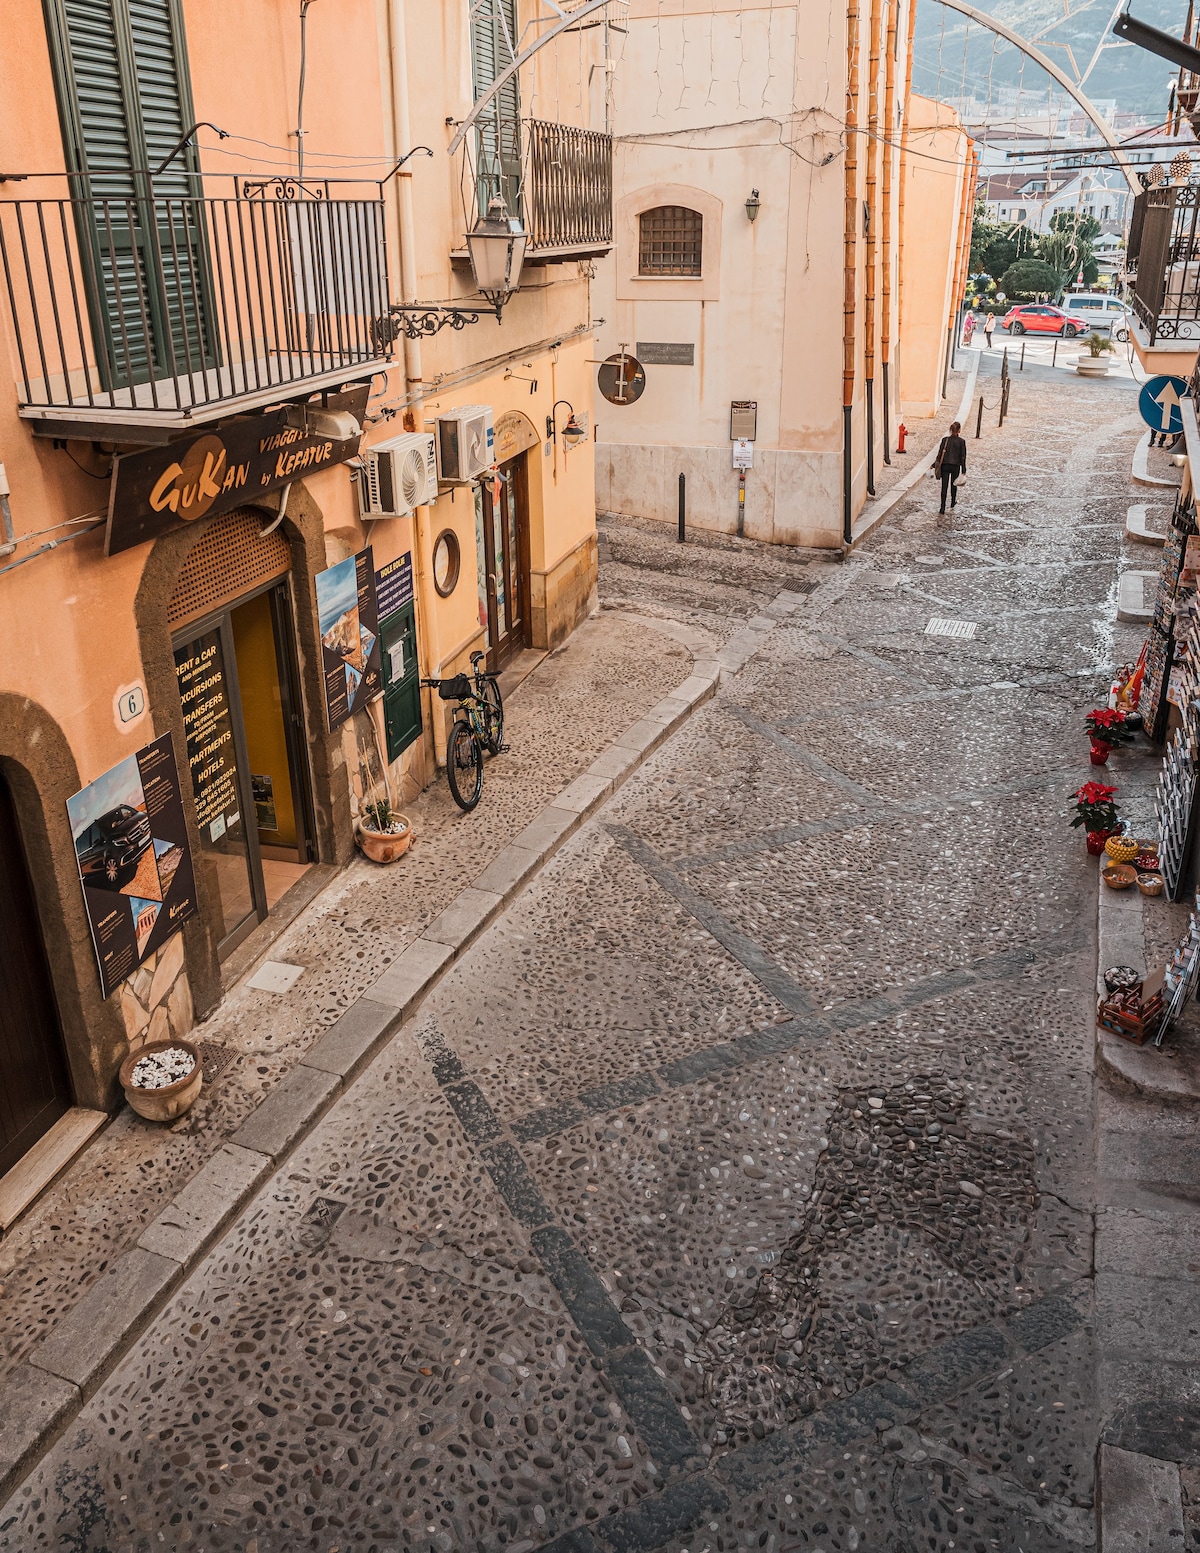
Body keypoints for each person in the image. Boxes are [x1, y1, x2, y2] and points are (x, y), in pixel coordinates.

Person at [934, 421, 967, 513]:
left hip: (945, 465)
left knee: (944, 486)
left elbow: (940, 454)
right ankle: (953, 501)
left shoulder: (945, 440)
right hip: (955, 466)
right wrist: (964, 469)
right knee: (954, 485)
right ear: (959, 430)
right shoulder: (961, 442)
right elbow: (963, 456)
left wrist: (934, 465)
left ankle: (942, 507)